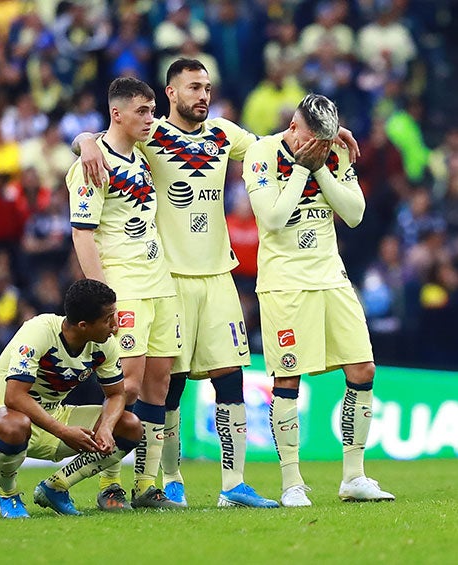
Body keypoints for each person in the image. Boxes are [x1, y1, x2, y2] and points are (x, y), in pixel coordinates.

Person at [74, 58, 366, 507]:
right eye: (193, 88)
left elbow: (280, 144)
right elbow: (115, 138)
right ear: (170, 94)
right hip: (166, 276)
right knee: (165, 386)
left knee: (230, 379)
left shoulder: (225, 135)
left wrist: (328, 137)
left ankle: (233, 484)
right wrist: (85, 141)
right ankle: (168, 480)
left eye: (208, 87)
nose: (203, 95)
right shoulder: (151, 134)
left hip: (218, 275)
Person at [243, 93, 394, 507]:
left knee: (363, 368)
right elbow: (272, 220)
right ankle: (292, 483)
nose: (324, 148)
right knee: (288, 381)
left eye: (328, 141)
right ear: (294, 129)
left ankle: (354, 476)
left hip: (332, 277)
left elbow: (355, 213)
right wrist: (299, 171)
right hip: (285, 284)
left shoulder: (333, 154)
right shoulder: (261, 154)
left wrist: (322, 167)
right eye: (317, 140)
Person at [67, 76, 182, 510]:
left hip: (159, 284)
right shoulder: (92, 164)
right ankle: (107, 482)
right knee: (125, 386)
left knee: (159, 384)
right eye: (142, 111)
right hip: (125, 288)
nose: (151, 119)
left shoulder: (145, 154)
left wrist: (83, 138)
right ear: (116, 113)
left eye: (153, 111)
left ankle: (146, 486)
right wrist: (105, 299)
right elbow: (82, 234)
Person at [0, 278, 142, 518]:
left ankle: (55, 487)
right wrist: (62, 431)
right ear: (83, 325)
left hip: (54, 415)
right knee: (15, 424)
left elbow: (116, 394)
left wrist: (107, 428)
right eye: (107, 319)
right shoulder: (38, 331)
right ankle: (8, 494)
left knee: (130, 426)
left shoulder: (104, 345)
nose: (115, 326)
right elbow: (15, 397)